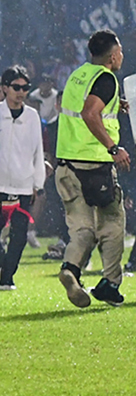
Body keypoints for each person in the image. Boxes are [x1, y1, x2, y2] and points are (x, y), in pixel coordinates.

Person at [55, 30, 132, 308]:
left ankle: (71, 270)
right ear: (113, 56)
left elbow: (82, 106)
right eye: (120, 51)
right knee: (112, 224)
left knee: (82, 230)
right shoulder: (107, 78)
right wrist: (114, 147)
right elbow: (90, 113)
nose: (122, 55)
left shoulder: (78, 75)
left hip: (66, 163)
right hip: (94, 164)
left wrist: (114, 103)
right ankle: (110, 284)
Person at [0, 66, 47, 289]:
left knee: (19, 236)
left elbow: (38, 149)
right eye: (16, 87)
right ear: (4, 88)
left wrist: (38, 183)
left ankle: (7, 277)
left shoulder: (32, 116)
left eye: (25, 88)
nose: (21, 92)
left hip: (24, 186)